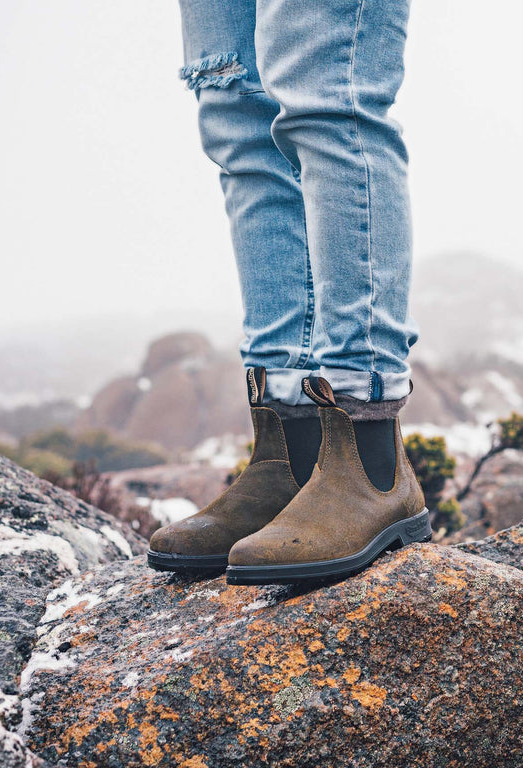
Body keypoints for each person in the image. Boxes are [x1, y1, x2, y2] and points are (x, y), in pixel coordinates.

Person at [146, 0, 430, 584]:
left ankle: (371, 462)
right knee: (237, 121)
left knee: (326, 95)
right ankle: (294, 458)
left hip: (366, 434)